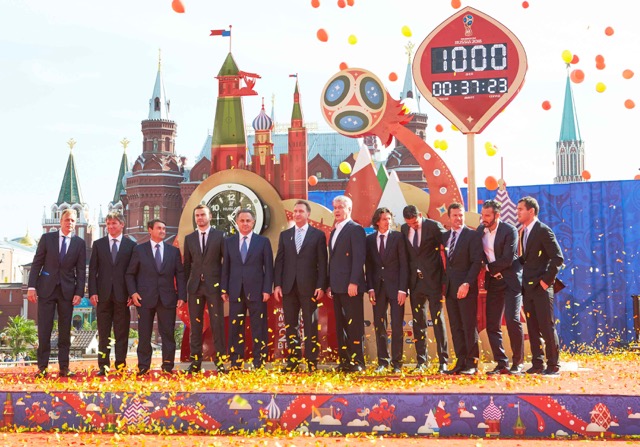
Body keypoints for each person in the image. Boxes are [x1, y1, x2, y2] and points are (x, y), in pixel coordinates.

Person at [28, 208, 86, 378]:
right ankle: (42, 368)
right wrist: (31, 287)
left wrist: (79, 292)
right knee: (44, 329)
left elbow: (81, 270)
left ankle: (64, 368)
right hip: (46, 289)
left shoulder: (79, 243)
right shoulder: (47, 238)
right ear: (61, 221)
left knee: (65, 330)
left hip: (67, 292)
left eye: (73, 220)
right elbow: (37, 263)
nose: (70, 223)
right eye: (67, 220)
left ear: (76, 223)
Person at [125, 219, 186, 375]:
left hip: (168, 298)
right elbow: (130, 274)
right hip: (144, 298)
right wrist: (133, 293)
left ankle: (168, 366)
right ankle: (143, 366)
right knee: (144, 334)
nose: (162, 231)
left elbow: (180, 275)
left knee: (168, 334)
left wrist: (182, 295)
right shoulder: (139, 250)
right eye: (159, 228)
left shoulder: (173, 251)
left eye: (164, 228)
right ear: (150, 230)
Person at [274, 200, 327, 373]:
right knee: (291, 325)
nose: (297, 214)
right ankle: (293, 361)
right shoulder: (285, 235)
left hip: (310, 287)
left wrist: (321, 285)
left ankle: (312, 361)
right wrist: (277, 285)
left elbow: (322, 263)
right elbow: (279, 262)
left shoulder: (317, 235)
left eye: (301, 211)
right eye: (295, 211)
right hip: (288, 287)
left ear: (308, 214)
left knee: (311, 325)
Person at [516, 196, 564, 376]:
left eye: (520, 209)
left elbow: (557, 257)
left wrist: (546, 282)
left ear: (531, 211)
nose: (517, 212)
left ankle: (553, 364)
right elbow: (526, 258)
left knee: (546, 326)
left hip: (541, 287)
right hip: (528, 288)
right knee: (533, 327)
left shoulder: (543, 230)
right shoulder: (523, 232)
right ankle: (537, 363)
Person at [221, 209, 274, 370]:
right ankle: (236, 362)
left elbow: (269, 268)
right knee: (235, 327)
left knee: (259, 327)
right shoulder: (229, 242)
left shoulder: (263, 241)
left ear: (253, 222)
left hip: (257, 291)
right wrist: (224, 289)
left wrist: (267, 289)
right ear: (237, 223)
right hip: (235, 290)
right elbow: (226, 267)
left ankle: (259, 361)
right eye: (242, 220)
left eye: (248, 221)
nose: (245, 223)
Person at [477, 200, 524, 375]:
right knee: (492, 324)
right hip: (494, 283)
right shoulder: (480, 231)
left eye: (487, 215)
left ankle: (517, 362)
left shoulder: (509, 230)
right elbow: (477, 254)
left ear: (497, 215)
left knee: (512, 320)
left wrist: (487, 268)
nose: (484, 218)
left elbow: (507, 259)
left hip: (511, 281)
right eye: (482, 215)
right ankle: (501, 363)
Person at [401, 205, 448, 374]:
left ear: (420, 215)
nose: (413, 226)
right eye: (409, 224)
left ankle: (443, 361)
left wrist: (445, 277)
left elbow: (448, 245)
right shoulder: (404, 229)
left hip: (433, 281)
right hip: (415, 283)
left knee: (437, 320)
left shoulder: (433, 226)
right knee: (418, 322)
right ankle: (422, 361)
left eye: (415, 223)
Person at [88, 211, 136, 375]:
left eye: (114, 223)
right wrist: (92, 292)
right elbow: (93, 270)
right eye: (108, 224)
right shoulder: (98, 244)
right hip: (102, 296)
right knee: (103, 333)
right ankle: (103, 366)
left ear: (122, 225)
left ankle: (120, 365)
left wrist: (132, 293)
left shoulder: (131, 245)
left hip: (123, 296)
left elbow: (134, 272)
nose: (110, 226)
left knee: (122, 332)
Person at [182, 204, 226, 374]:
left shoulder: (220, 236)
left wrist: (224, 288)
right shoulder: (189, 238)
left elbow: (225, 264)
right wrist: (185, 289)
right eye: (197, 215)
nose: (200, 218)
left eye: (202, 215)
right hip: (195, 288)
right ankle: (195, 362)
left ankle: (220, 362)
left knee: (217, 324)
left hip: (214, 287)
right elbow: (187, 265)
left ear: (210, 216)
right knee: (195, 325)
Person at [365, 207, 408, 374]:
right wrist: (370, 288)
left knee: (397, 325)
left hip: (396, 289)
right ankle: (383, 361)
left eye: (389, 219)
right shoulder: (369, 240)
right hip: (377, 289)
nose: (388, 222)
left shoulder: (398, 237)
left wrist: (403, 289)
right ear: (377, 221)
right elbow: (369, 266)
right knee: (379, 325)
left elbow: (404, 264)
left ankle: (397, 363)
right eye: (384, 219)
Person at [327, 195, 367, 373]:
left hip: (351, 287)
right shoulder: (334, 231)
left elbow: (359, 258)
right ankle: (344, 361)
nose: (336, 210)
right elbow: (333, 260)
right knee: (341, 325)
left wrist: (354, 282)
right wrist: (330, 284)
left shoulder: (355, 229)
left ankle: (358, 361)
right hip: (337, 287)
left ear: (349, 209)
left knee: (354, 325)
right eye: (335, 207)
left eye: (340, 207)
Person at [442, 202, 483, 375]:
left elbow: (476, 262)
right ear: (449, 217)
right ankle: (460, 361)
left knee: (468, 325)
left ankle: (472, 363)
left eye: (461, 215)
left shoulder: (472, 236)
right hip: (450, 289)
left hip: (466, 288)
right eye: (455, 215)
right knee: (456, 326)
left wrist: (467, 283)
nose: (458, 218)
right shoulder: (445, 237)